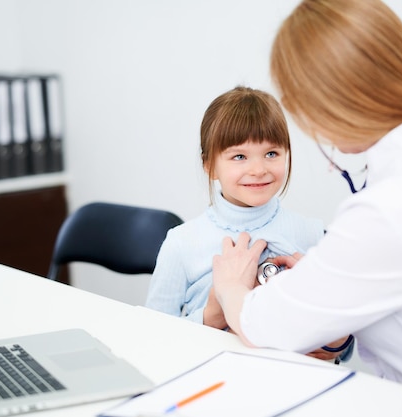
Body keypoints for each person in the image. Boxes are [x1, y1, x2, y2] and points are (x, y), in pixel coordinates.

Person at [210, 1, 402, 416]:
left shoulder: (393, 208)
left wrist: (229, 288)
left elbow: (264, 326)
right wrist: (327, 281)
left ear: (319, 104)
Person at [145, 86, 353, 361]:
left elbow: (345, 347)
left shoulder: (312, 234)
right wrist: (211, 317)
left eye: (271, 154)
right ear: (209, 164)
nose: (258, 169)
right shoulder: (181, 243)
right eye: (239, 156)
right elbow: (153, 337)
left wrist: (333, 345)